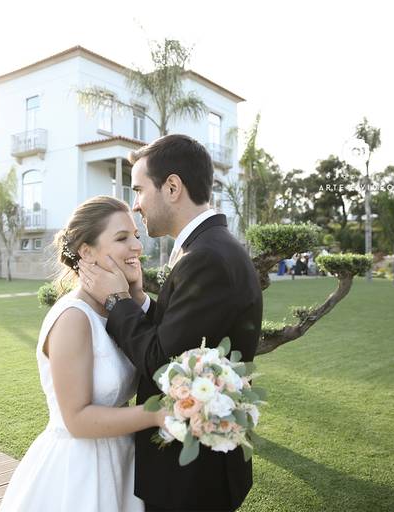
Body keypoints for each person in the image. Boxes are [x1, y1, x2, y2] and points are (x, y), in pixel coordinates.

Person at [78, 134, 262, 512]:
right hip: (196, 463)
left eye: (140, 190)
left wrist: (116, 301)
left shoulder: (206, 257)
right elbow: (184, 333)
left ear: (173, 187)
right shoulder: (210, 248)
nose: (136, 204)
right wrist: (142, 301)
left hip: (192, 475)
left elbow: (166, 363)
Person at [0, 196, 166, 512]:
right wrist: (157, 414)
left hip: (122, 461)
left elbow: (156, 349)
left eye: (136, 236)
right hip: (79, 470)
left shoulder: (119, 308)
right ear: (86, 252)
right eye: (122, 238)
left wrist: (137, 294)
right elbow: (76, 419)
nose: (137, 247)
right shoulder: (74, 318)